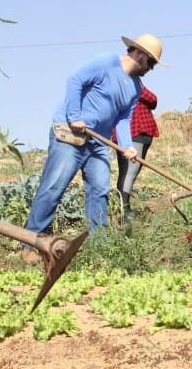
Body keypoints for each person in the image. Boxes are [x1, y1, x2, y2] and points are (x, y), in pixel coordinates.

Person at [26, 34, 162, 236]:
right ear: (140, 54)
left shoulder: (135, 87)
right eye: (151, 62)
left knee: (100, 191)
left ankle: (99, 246)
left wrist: (127, 145)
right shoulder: (107, 62)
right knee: (54, 186)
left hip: (98, 142)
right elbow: (75, 80)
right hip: (71, 135)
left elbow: (124, 118)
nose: (151, 68)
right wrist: (74, 117)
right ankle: (31, 240)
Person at [115, 85, 159, 221]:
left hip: (142, 132)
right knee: (129, 171)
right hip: (132, 133)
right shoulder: (129, 85)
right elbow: (152, 99)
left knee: (129, 172)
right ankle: (125, 210)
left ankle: (124, 207)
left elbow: (153, 102)